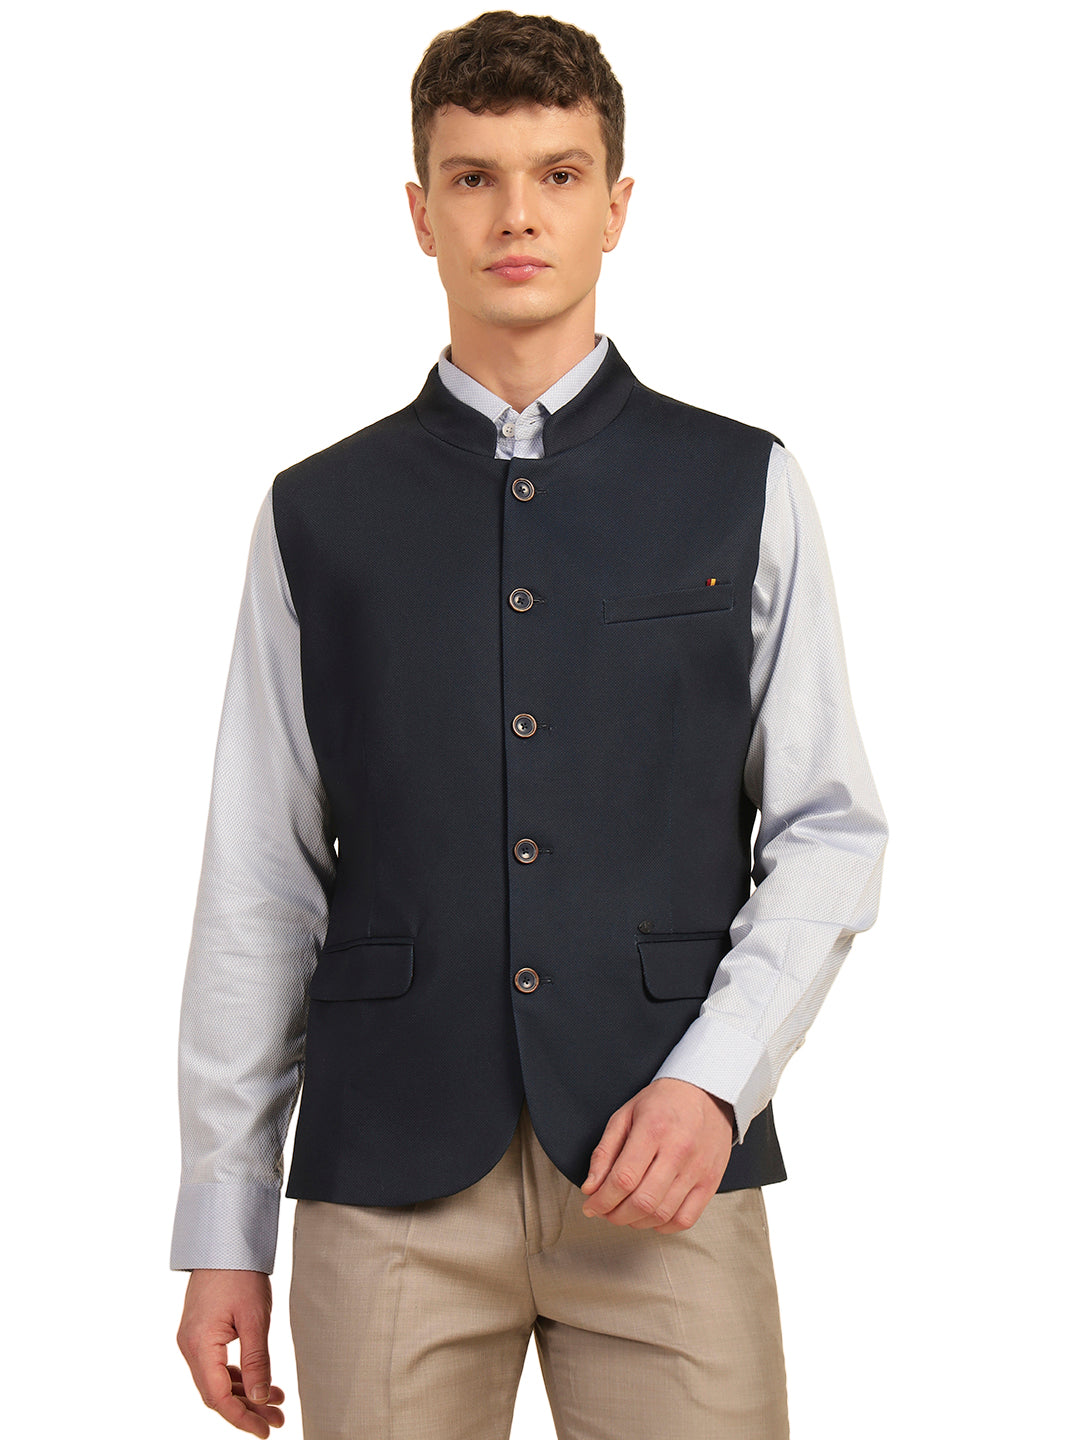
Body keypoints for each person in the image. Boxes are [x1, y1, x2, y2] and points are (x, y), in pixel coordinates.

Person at [172, 11, 888, 1439]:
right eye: (475, 178)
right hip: (388, 1187)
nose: (517, 216)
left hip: (665, 1167)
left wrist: (713, 1087)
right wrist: (223, 1221)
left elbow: (829, 829)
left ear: (616, 207)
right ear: (419, 212)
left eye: (558, 175)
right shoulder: (317, 514)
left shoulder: (742, 483)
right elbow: (260, 877)